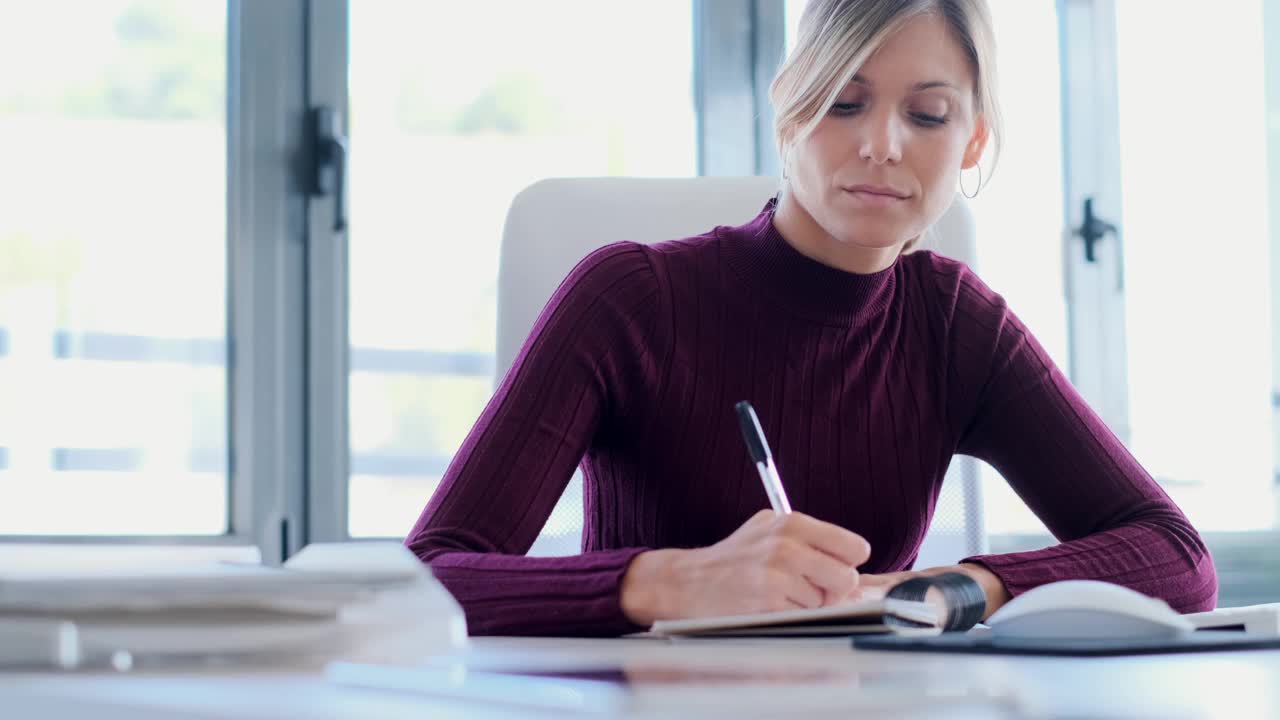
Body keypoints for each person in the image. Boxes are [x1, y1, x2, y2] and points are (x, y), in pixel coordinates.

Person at [405, 0, 1218, 636]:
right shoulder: (628, 299)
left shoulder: (957, 325)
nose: (883, 145)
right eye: (843, 102)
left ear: (972, 141)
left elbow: (1175, 556)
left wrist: (964, 589)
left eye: (928, 115)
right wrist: (668, 582)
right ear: (790, 112)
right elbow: (429, 575)